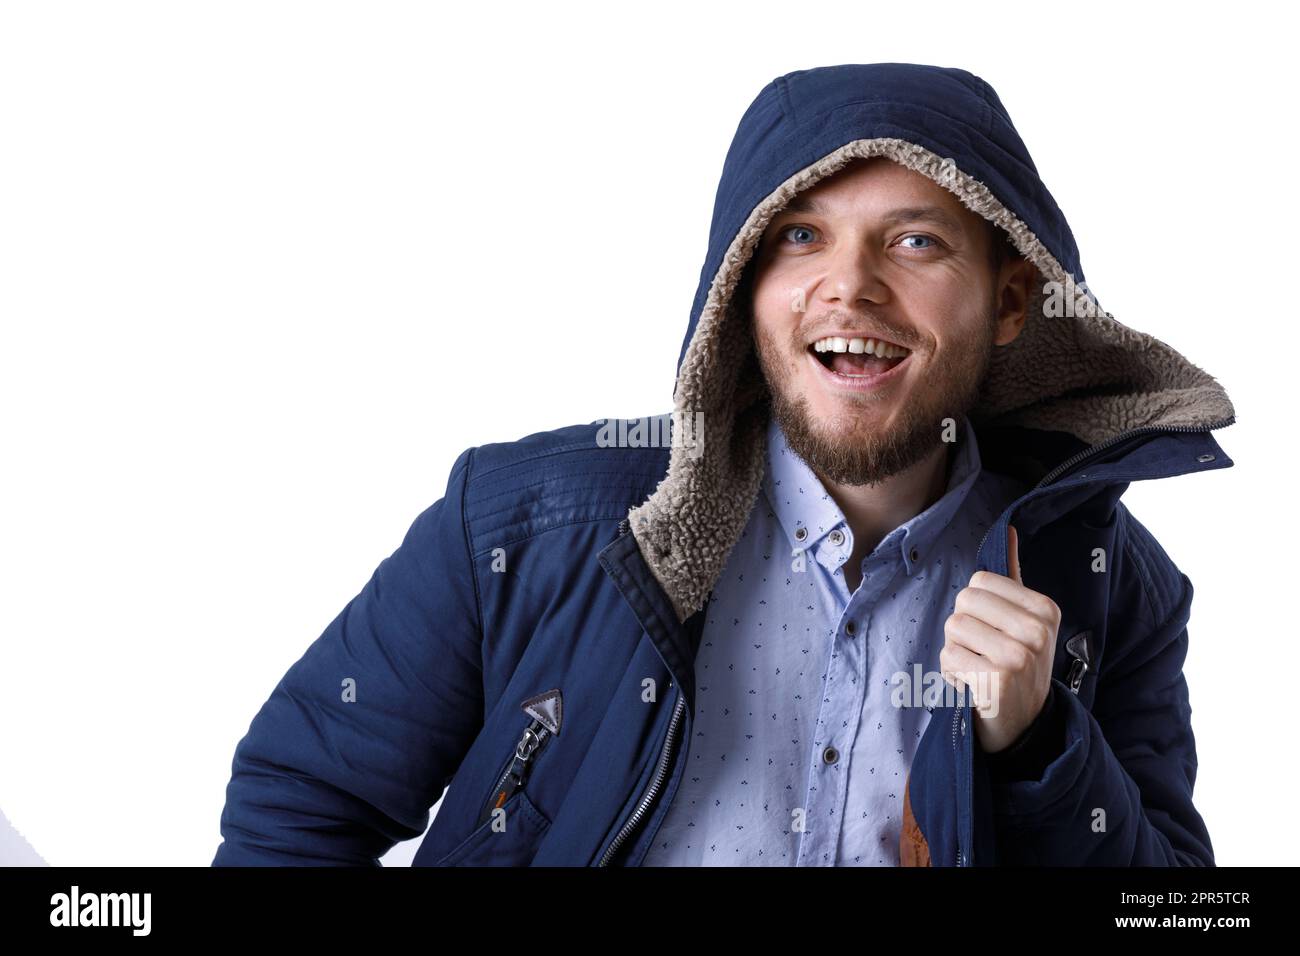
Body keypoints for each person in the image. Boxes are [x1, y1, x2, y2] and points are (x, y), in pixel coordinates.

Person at [212, 62, 1236, 867]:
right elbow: (296, 809)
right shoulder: (524, 529)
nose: (850, 287)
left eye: (915, 242)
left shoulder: (1106, 588)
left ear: (1011, 301)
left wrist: (1043, 747)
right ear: (741, 288)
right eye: (800, 237)